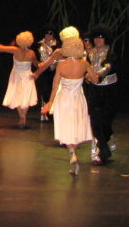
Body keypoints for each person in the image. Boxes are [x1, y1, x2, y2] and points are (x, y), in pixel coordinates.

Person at [40, 36, 98, 175]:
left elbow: (55, 86)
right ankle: (74, 150)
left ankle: (71, 151)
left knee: (66, 128)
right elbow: (95, 78)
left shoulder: (62, 64)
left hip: (63, 99)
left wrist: (49, 103)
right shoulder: (84, 64)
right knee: (77, 128)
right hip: (78, 98)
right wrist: (86, 77)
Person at [85, 24, 119, 165]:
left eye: (101, 38)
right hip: (94, 90)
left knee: (106, 121)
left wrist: (96, 75)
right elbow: (85, 67)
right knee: (95, 119)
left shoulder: (110, 53)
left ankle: (107, 140)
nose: (98, 40)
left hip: (109, 91)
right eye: (96, 38)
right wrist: (88, 76)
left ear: (106, 39)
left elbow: (108, 67)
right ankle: (102, 151)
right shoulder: (90, 53)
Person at [0, 31, 38, 128]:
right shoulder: (32, 53)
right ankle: (23, 116)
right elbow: (36, 65)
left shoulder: (15, 50)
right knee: (26, 96)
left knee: (17, 95)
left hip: (16, 76)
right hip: (28, 76)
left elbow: (1, 48)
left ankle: (22, 117)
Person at [34, 27, 58, 122]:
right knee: (43, 91)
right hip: (42, 70)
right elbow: (34, 57)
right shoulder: (38, 44)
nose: (48, 35)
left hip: (53, 71)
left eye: (50, 33)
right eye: (46, 33)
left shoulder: (57, 45)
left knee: (52, 91)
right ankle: (44, 113)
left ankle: (52, 112)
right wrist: (37, 64)